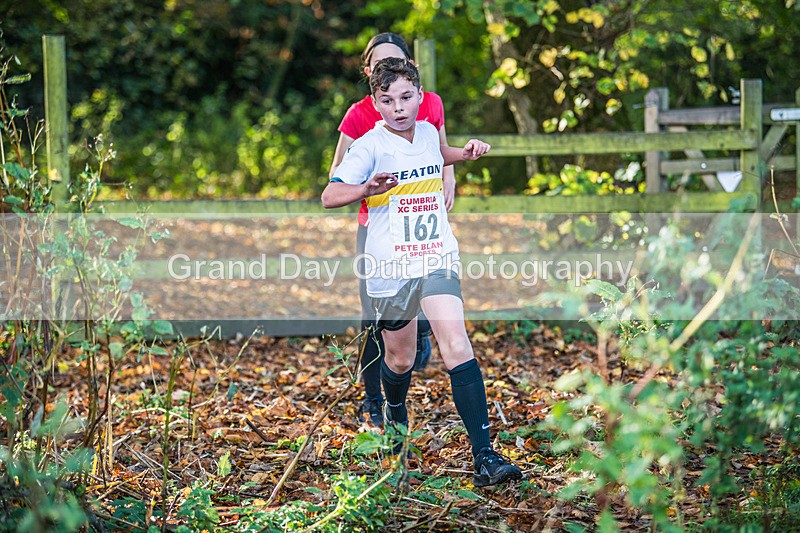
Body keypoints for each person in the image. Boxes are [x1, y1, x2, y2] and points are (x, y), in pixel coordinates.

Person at [322, 57, 523, 487]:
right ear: (375, 104)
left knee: (456, 343)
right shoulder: (370, 146)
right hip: (391, 267)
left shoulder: (429, 131)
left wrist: (464, 154)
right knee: (401, 358)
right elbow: (329, 194)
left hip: (435, 256)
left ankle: (485, 456)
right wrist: (366, 188)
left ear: (419, 96)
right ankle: (395, 419)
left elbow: (436, 156)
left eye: (406, 97)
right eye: (388, 99)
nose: (398, 107)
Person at [329, 33, 456, 428]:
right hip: (377, 227)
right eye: (379, 65)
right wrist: (366, 187)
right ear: (370, 75)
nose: (396, 105)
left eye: (397, 61)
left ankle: (414, 335)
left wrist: (449, 174)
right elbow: (336, 176)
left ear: (411, 70)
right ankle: (372, 399)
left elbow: (438, 147)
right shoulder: (359, 115)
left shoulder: (428, 103)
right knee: (374, 317)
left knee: (427, 300)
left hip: (422, 222)